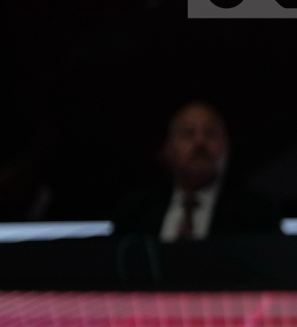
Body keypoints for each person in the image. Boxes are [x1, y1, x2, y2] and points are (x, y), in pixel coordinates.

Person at [114, 100, 281, 240]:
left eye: (211, 133)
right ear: (168, 148)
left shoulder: (257, 214)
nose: (200, 142)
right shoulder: (136, 211)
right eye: (188, 133)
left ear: (226, 145)